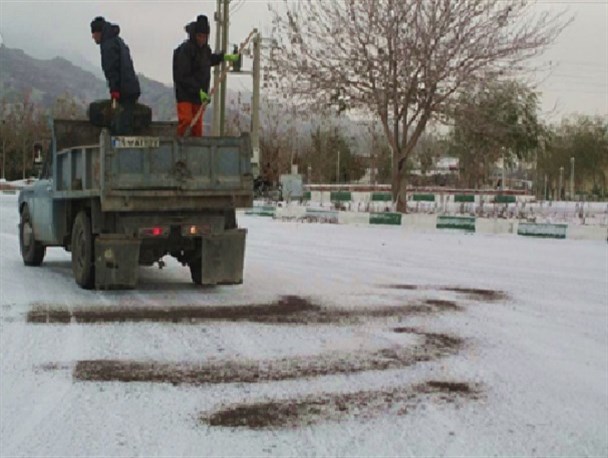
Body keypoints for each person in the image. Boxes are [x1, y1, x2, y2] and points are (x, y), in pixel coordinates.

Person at [172, 14, 240, 137]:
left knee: (197, 129)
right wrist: (199, 91)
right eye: (200, 36)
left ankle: (196, 154)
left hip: (199, 98)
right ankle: (180, 146)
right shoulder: (185, 50)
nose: (202, 39)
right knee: (186, 121)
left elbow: (209, 60)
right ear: (194, 35)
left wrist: (224, 57)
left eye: (205, 36)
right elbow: (183, 76)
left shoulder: (205, 50)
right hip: (185, 95)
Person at [90, 16, 141, 135]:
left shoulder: (108, 45)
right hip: (131, 88)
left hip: (124, 90)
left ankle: (123, 151)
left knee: (122, 127)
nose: (92, 37)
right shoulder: (118, 41)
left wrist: (114, 90)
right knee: (125, 121)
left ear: (99, 32)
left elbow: (112, 69)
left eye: (93, 33)